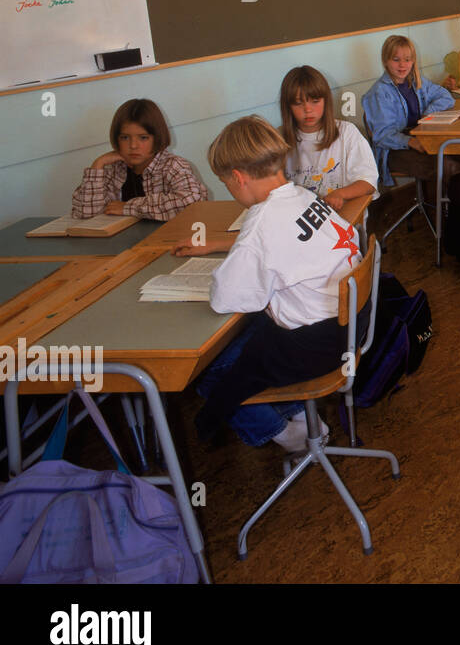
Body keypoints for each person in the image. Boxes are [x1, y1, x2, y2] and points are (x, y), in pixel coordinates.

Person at [182, 116, 363, 452]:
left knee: (207, 370)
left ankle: (285, 434)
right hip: (354, 326)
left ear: (237, 178)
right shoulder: (306, 197)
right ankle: (300, 415)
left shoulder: (261, 224)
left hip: (315, 346)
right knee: (249, 339)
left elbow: (224, 299)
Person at [71, 98, 208, 221]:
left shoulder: (174, 166)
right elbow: (86, 214)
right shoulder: (111, 169)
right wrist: (97, 164)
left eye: (143, 138)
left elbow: (191, 203)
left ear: (157, 138)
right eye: (125, 137)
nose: (133, 146)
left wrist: (128, 207)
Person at [278, 65, 378, 212]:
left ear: (326, 101)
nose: (308, 109)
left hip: (344, 217)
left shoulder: (347, 132)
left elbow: (368, 182)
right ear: (288, 107)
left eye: (315, 101)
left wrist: (340, 194)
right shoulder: (277, 139)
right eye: (299, 103)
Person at [362, 34, 455, 188]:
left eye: (407, 59)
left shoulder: (416, 81)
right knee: (447, 166)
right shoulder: (379, 93)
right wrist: (411, 142)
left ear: (413, 61)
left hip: (419, 137)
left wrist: (427, 113)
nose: (402, 65)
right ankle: (448, 208)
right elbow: (382, 136)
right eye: (396, 59)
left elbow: (446, 96)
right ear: (385, 61)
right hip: (393, 150)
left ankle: (453, 203)